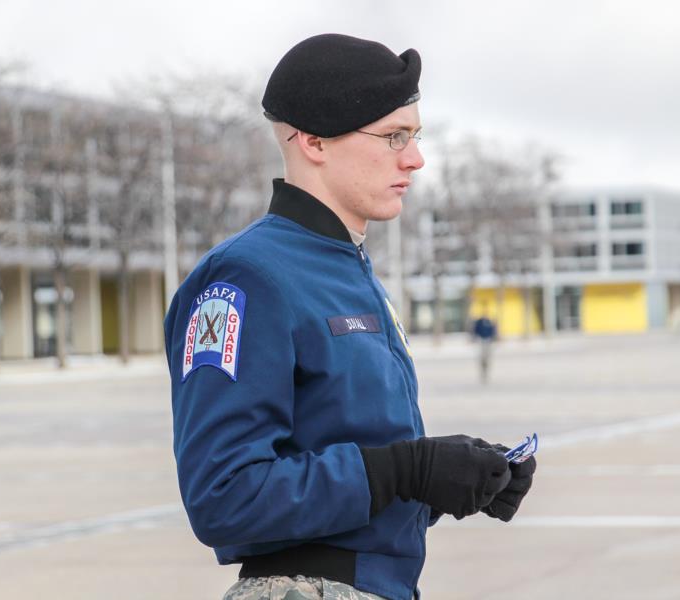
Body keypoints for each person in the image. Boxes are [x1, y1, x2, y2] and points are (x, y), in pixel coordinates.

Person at [163, 34, 537, 600]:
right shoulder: (246, 279)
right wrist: (404, 470)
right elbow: (225, 496)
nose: (415, 158)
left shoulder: (348, 272)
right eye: (393, 137)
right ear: (313, 141)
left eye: (414, 136)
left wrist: (450, 478)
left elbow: (358, 469)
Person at [472, 316, 498, 384]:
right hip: (481, 340)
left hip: (488, 341)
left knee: (487, 357)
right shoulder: (479, 322)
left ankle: (486, 369)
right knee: (482, 357)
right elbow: (476, 331)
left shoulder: (489, 322)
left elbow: (493, 331)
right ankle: (483, 369)